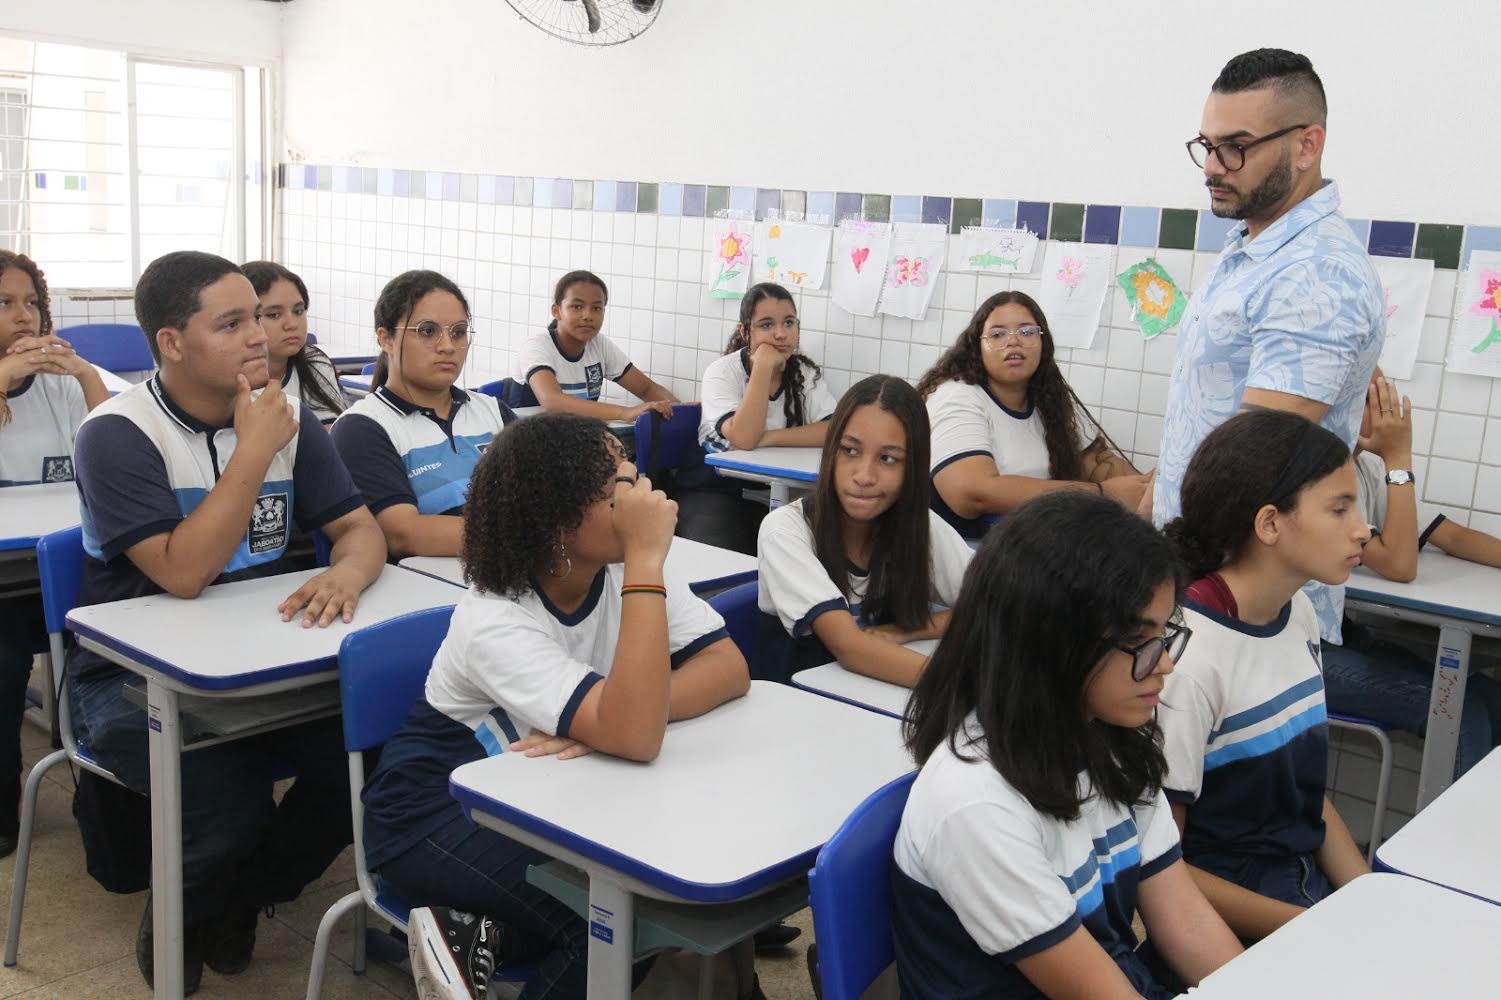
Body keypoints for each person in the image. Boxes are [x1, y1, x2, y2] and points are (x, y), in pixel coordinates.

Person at [67, 250, 387, 993]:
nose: (260, 337)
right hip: (128, 680)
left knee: (370, 763)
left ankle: (236, 898)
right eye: (233, 322)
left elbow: (360, 530)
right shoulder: (118, 434)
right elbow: (183, 573)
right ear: (172, 342)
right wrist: (254, 450)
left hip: (263, 663)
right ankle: (185, 913)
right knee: (227, 805)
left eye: (262, 319)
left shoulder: (284, 418)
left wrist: (346, 570)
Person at [362, 414, 749, 1000]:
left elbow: (727, 667)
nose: (639, 499)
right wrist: (620, 718)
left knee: (648, 889)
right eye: (615, 489)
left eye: (633, 475)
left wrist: (619, 719)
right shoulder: (496, 618)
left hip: (548, 797)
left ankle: (475, 936)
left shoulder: (621, 570)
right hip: (436, 814)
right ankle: (475, 933)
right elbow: (635, 736)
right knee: (609, 924)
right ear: (554, 520)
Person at [893, 491, 1241, 998]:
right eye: (1139, 642)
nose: (1165, 663)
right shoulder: (975, 802)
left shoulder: (1112, 739)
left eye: (1164, 635)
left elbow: (1188, 924)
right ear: (1052, 642)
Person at [1157, 47, 1384, 648]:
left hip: (1245, 603)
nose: (1213, 166)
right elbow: (1201, 423)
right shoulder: (1253, 249)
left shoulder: (1315, 273)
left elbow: (1252, 464)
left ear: (1306, 145)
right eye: (1206, 145)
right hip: (1206, 579)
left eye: (1236, 146)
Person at [1160, 410, 1371, 942]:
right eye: (1339, 509)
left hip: (1302, 889)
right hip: (1230, 922)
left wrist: (1367, 897)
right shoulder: (1187, 660)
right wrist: (1318, 928)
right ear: (1270, 523)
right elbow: (1161, 870)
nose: (1362, 529)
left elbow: (1304, 797)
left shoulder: (1296, 610)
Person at [1322, 370, 1501, 777]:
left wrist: (1391, 466)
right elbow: (1400, 565)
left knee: (1492, 698)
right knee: (1462, 714)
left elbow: (1450, 535)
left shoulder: (1365, 469)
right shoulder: (1321, 478)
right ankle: (1454, 822)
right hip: (1307, 649)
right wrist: (1399, 460)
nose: (1391, 411)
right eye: (1375, 399)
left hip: (1344, 633)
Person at [756, 374, 972, 686]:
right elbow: (850, 647)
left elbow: (996, 606)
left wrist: (912, 629)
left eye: (888, 458)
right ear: (831, 451)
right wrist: (969, 689)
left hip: (879, 698)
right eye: (850, 450)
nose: (864, 476)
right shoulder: (785, 530)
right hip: (800, 704)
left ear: (913, 467)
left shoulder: (920, 527)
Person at [0, 250, 109, 856]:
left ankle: (103, 794)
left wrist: (86, 375)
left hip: (64, 568)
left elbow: (111, 451)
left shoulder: (60, 385)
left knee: (109, 645)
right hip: (6, 580)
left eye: (32, 304)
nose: (25, 317)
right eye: (5, 303)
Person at [916, 290, 1149, 539]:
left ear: (1043, 344)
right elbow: (969, 494)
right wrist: (1102, 494)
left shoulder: (1049, 399)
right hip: (970, 551)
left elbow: (1097, 463)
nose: (1013, 341)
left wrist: (1151, 486)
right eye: (998, 334)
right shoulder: (956, 396)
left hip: (1032, 543)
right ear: (977, 347)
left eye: (1027, 332)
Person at [331, 270, 514, 559]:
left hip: (511, 571)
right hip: (430, 581)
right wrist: (527, 535)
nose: (448, 346)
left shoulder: (493, 411)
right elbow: (402, 534)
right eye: (427, 331)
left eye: (458, 332)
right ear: (386, 339)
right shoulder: (362, 428)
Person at [679, 283, 835, 554]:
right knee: (731, 554)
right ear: (744, 332)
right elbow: (743, 438)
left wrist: (768, 438)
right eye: (766, 325)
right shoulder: (721, 372)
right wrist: (762, 365)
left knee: (810, 546)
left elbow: (833, 429)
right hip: (715, 490)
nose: (780, 334)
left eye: (789, 323)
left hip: (779, 493)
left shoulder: (804, 373)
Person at [520, 269, 678, 420]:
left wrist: (683, 411)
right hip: (527, 435)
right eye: (577, 307)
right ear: (557, 311)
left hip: (572, 433)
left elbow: (646, 389)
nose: (587, 316)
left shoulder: (599, 344)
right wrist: (625, 413)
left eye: (596, 308)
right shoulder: (537, 345)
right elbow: (552, 401)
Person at [241, 260, 346, 424]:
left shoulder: (314, 365)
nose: (292, 324)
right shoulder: (228, 380)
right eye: (274, 315)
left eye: (298, 311)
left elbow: (329, 434)